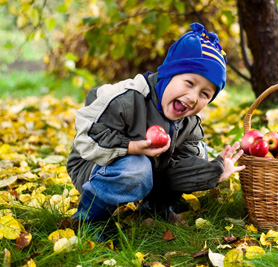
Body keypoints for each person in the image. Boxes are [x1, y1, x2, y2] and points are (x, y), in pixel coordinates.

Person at [66, 22, 245, 222]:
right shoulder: (128, 99)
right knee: (138, 166)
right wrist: (132, 146)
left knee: (197, 154)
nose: (194, 98)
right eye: (189, 83)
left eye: (205, 94)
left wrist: (215, 171)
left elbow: (180, 169)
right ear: (168, 74)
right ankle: (89, 219)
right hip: (93, 164)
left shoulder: (189, 123)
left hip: (144, 170)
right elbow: (87, 138)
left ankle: (154, 210)